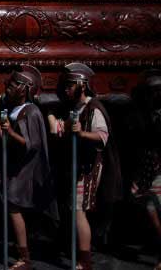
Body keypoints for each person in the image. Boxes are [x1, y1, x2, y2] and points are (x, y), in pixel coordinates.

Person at [47, 63, 121, 270]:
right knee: (74, 209)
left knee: (79, 210)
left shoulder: (94, 107)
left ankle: (85, 261)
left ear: (82, 84)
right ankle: (80, 256)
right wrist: (53, 118)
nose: (67, 89)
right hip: (76, 165)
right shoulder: (75, 108)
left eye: (71, 85)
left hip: (89, 166)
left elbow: (101, 136)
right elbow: (59, 130)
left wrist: (81, 134)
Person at [0, 65, 58, 270]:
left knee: (13, 206)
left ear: (24, 88)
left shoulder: (31, 111)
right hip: (14, 166)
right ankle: (22, 252)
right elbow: (5, 138)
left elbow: (32, 143)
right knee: (11, 206)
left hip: (25, 169)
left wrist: (10, 132)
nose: (8, 88)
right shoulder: (14, 109)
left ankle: (25, 257)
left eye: (12, 85)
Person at [131, 69, 161, 270]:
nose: (155, 95)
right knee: (150, 207)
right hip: (150, 166)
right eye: (152, 91)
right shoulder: (147, 113)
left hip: (158, 167)